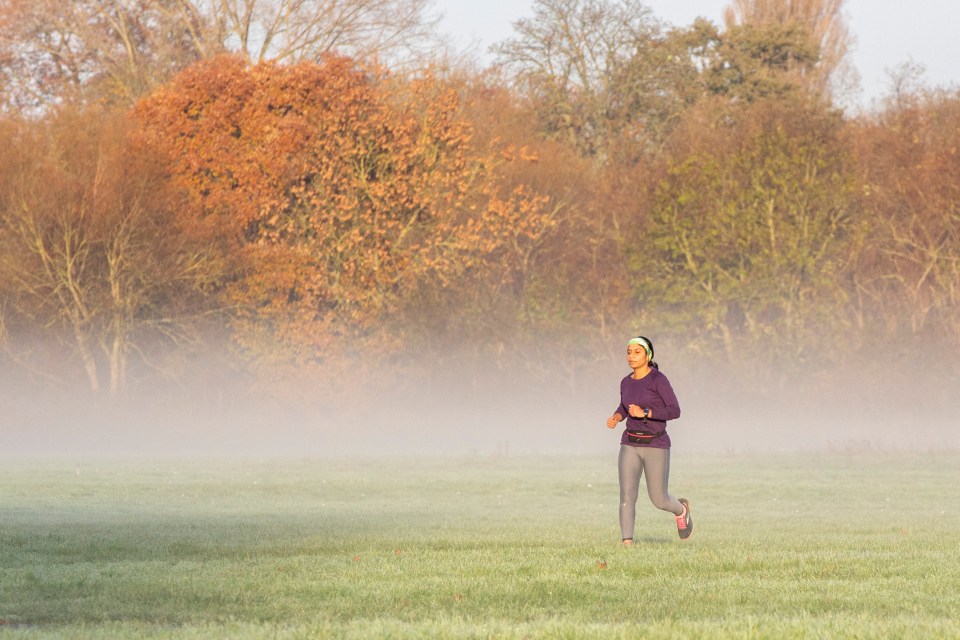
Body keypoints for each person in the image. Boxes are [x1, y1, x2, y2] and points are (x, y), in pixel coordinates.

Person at [606, 336, 692, 543]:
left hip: (656, 444)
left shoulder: (658, 380)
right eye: (629, 352)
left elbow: (675, 411)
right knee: (627, 497)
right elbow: (624, 407)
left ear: (648, 355)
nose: (631, 356)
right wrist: (617, 417)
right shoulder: (625, 382)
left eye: (637, 352)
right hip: (630, 444)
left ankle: (681, 510)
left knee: (659, 499)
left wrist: (646, 412)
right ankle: (627, 544)